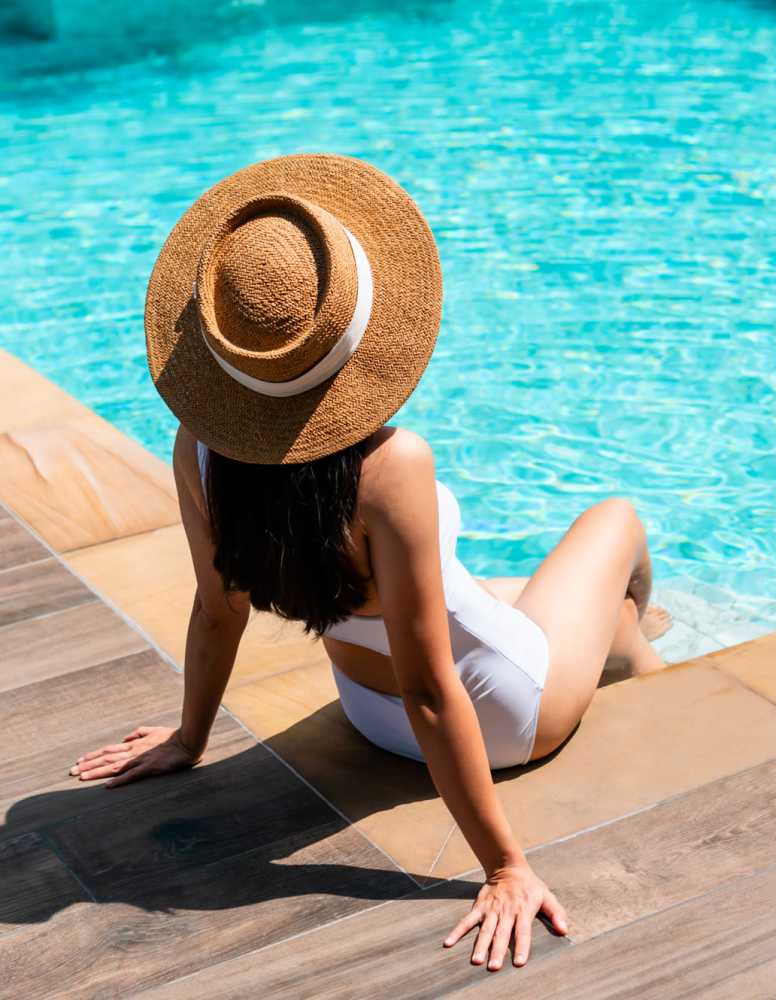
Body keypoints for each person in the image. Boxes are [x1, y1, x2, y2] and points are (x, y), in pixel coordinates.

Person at [70, 153, 671, 973]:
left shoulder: (201, 447)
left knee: (572, 607)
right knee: (615, 521)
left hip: (362, 710)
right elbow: (433, 689)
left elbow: (219, 609)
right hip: (499, 715)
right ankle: (639, 656)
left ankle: (632, 647)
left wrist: (190, 736)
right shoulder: (391, 467)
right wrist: (505, 866)